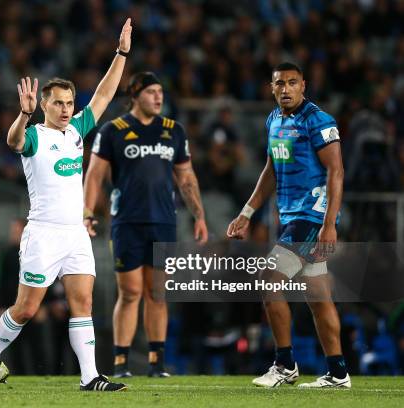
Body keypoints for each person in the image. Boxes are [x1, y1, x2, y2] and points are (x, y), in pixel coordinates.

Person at [0, 19, 133, 392]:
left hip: (75, 233)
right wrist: (24, 114)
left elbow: (105, 96)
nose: (64, 109)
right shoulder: (35, 136)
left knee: (83, 303)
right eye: (57, 103)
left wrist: (121, 53)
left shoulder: (76, 130)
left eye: (69, 103)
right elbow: (13, 142)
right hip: (42, 234)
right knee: (26, 309)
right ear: (44, 103)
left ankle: (90, 376)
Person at [227, 62, 350, 388]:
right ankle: (338, 373)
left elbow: (335, 171)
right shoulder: (274, 120)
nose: (285, 88)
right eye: (279, 83)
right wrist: (247, 212)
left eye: (292, 82)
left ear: (303, 86)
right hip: (292, 217)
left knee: (269, 281)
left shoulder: (318, 120)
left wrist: (329, 225)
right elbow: (271, 169)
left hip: (312, 217)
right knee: (318, 298)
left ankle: (284, 365)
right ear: (271, 87)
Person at [84, 71, 209, 378]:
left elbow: (186, 177)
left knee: (157, 292)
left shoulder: (173, 130)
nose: (158, 97)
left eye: (160, 92)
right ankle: (121, 362)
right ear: (135, 95)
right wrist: (87, 211)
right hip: (126, 221)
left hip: (164, 221)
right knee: (130, 292)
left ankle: (156, 363)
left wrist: (200, 215)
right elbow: (94, 175)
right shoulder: (113, 130)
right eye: (152, 91)